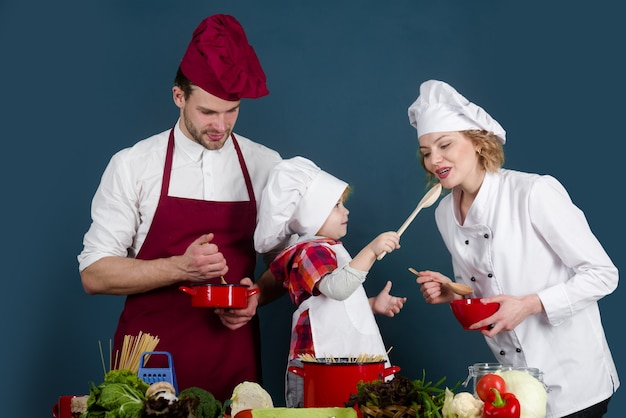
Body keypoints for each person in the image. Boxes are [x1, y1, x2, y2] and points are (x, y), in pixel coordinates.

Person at [77, 14, 285, 402]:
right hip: (147, 363)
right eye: (207, 112)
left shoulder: (266, 164)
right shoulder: (134, 164)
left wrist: (254, 294)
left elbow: (286, 264)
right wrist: (180, 267)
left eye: (232, 110)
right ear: (179, 96)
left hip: (232, 361)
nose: (221, 125)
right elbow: (94, 274)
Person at [409, 80, 619, 417]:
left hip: (574, 379)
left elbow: (603, 275)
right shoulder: (444, 213)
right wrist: (453, 293)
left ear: (477, 142)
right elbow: (481, 292)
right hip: (514, 387)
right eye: (426, 152)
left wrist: (530, 304)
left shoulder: (533, 192)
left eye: (445, 144)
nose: (435, 159)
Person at [254, 156, 407, 407]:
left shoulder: (329, 249)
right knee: (325, 407)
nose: (345, 211)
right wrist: (371, 250)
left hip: (339, 362)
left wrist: (368, 304)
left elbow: (333, 306)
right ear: (312, 214)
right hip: (320, 362)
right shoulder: (310, 251)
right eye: (336, 205)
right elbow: (336, 289)